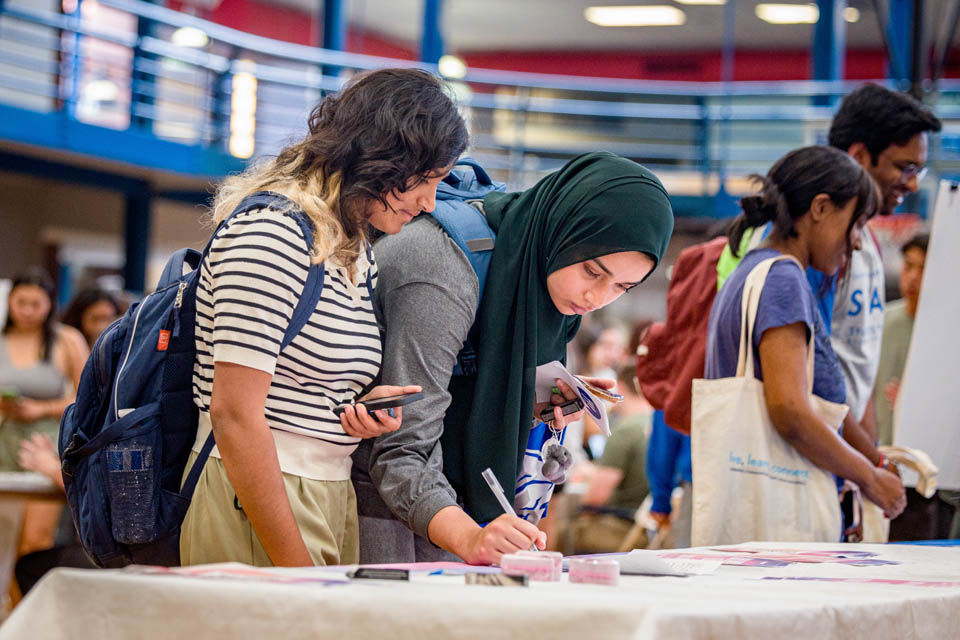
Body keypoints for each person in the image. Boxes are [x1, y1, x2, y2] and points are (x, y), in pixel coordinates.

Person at [178, 68, 469, 568]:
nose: (429, 202)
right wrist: (294, 567)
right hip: (253, 491)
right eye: (424, 180)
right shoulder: (272, 234)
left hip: (327, 491)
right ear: (379, 159)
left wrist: (352, 410)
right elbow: (234, 415)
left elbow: (292, 385)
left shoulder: (352, 247)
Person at [353, 152, 674, 565]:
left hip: (458, 518)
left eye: (623, 287)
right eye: (593, 271)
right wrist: (470, 538)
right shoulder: (440, 266)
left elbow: (473, 399)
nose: (597, 298)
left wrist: (536, 406)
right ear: (562, 231)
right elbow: (400, 449)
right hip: (388, 514)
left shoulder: (545, 283)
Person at [706, 146, 906, 532]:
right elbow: (791, 413)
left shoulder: (755, 270)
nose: (859, 242)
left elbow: (816, 404)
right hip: (778, 525)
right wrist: (868, 476)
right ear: (820, 208)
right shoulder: (783, 279)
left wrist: (873, 463)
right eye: (857, 222)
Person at [0, 269, 88, 555]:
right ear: (9, 301)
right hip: (5, 440)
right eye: (20, 302)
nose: (27, 311)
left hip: (46, 446)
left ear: (50, 304)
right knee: (3, 540)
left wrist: (41, 408)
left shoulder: (67, 339)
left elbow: (88, 397)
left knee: (35, 542)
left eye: (35, 304)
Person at [570, 363, 652, 554]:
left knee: (562, 525)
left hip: (620, 528)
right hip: (647, 528)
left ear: (620, 388)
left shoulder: (625, 431)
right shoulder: (656, 425)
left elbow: (596, 497)